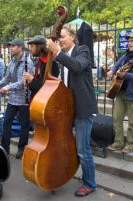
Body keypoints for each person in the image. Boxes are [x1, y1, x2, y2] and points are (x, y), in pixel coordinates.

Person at [47, 27, 98, 197]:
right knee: (71, 147)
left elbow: (77, 67)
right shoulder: (64, 59)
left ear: (73, 37)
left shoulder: (82, 51)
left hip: (84, 109)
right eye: (59, 38)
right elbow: (69, 83)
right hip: (71, 109)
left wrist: (57, 52)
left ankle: (90, 183)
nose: (60, 40)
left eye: (63, 37)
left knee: (83, 150)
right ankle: (68, 174)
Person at [0, 39, 34, 159]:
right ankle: (5, 148)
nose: (11, 48)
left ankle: (21, 148)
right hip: (13, 99)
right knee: (6, 122)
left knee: (24, 125)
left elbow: (23, 82)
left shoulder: (28, 62)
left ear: (20, 47)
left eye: (13, 46)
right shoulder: (12, 62)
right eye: (10, 46)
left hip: (24, 99)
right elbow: (7, 78)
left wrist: (8, 87)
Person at [24, 35, 59, 100]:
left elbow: (48, 88)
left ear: (39, 47)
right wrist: (29, 83)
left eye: (32, 46)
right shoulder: (39, 61)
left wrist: (32, 79)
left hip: (44, 102)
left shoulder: (51, 63)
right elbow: (39, 81)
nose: (30, 49)